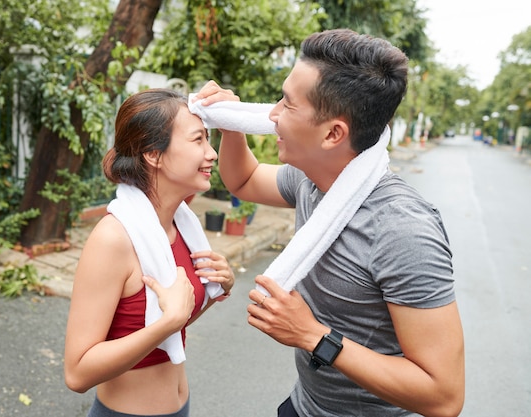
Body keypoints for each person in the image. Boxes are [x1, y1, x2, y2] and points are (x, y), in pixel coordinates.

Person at [193, 29, 465, 417]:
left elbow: (444, 396)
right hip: (305, 405)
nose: (271, 114)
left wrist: (313, 336)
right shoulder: (315, 179)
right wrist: (231, 123)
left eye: (286, 104)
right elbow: (244, 180)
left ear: (334, 133)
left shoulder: (402, 230)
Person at [64, 88, 235, 417]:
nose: (211, 153)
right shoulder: (114, 239)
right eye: (198, 140)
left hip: (180, 408)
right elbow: (77, 373)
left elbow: (177, 316)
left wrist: (216, 289)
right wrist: (166, 323)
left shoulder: (180, 224)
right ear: (153, 155)